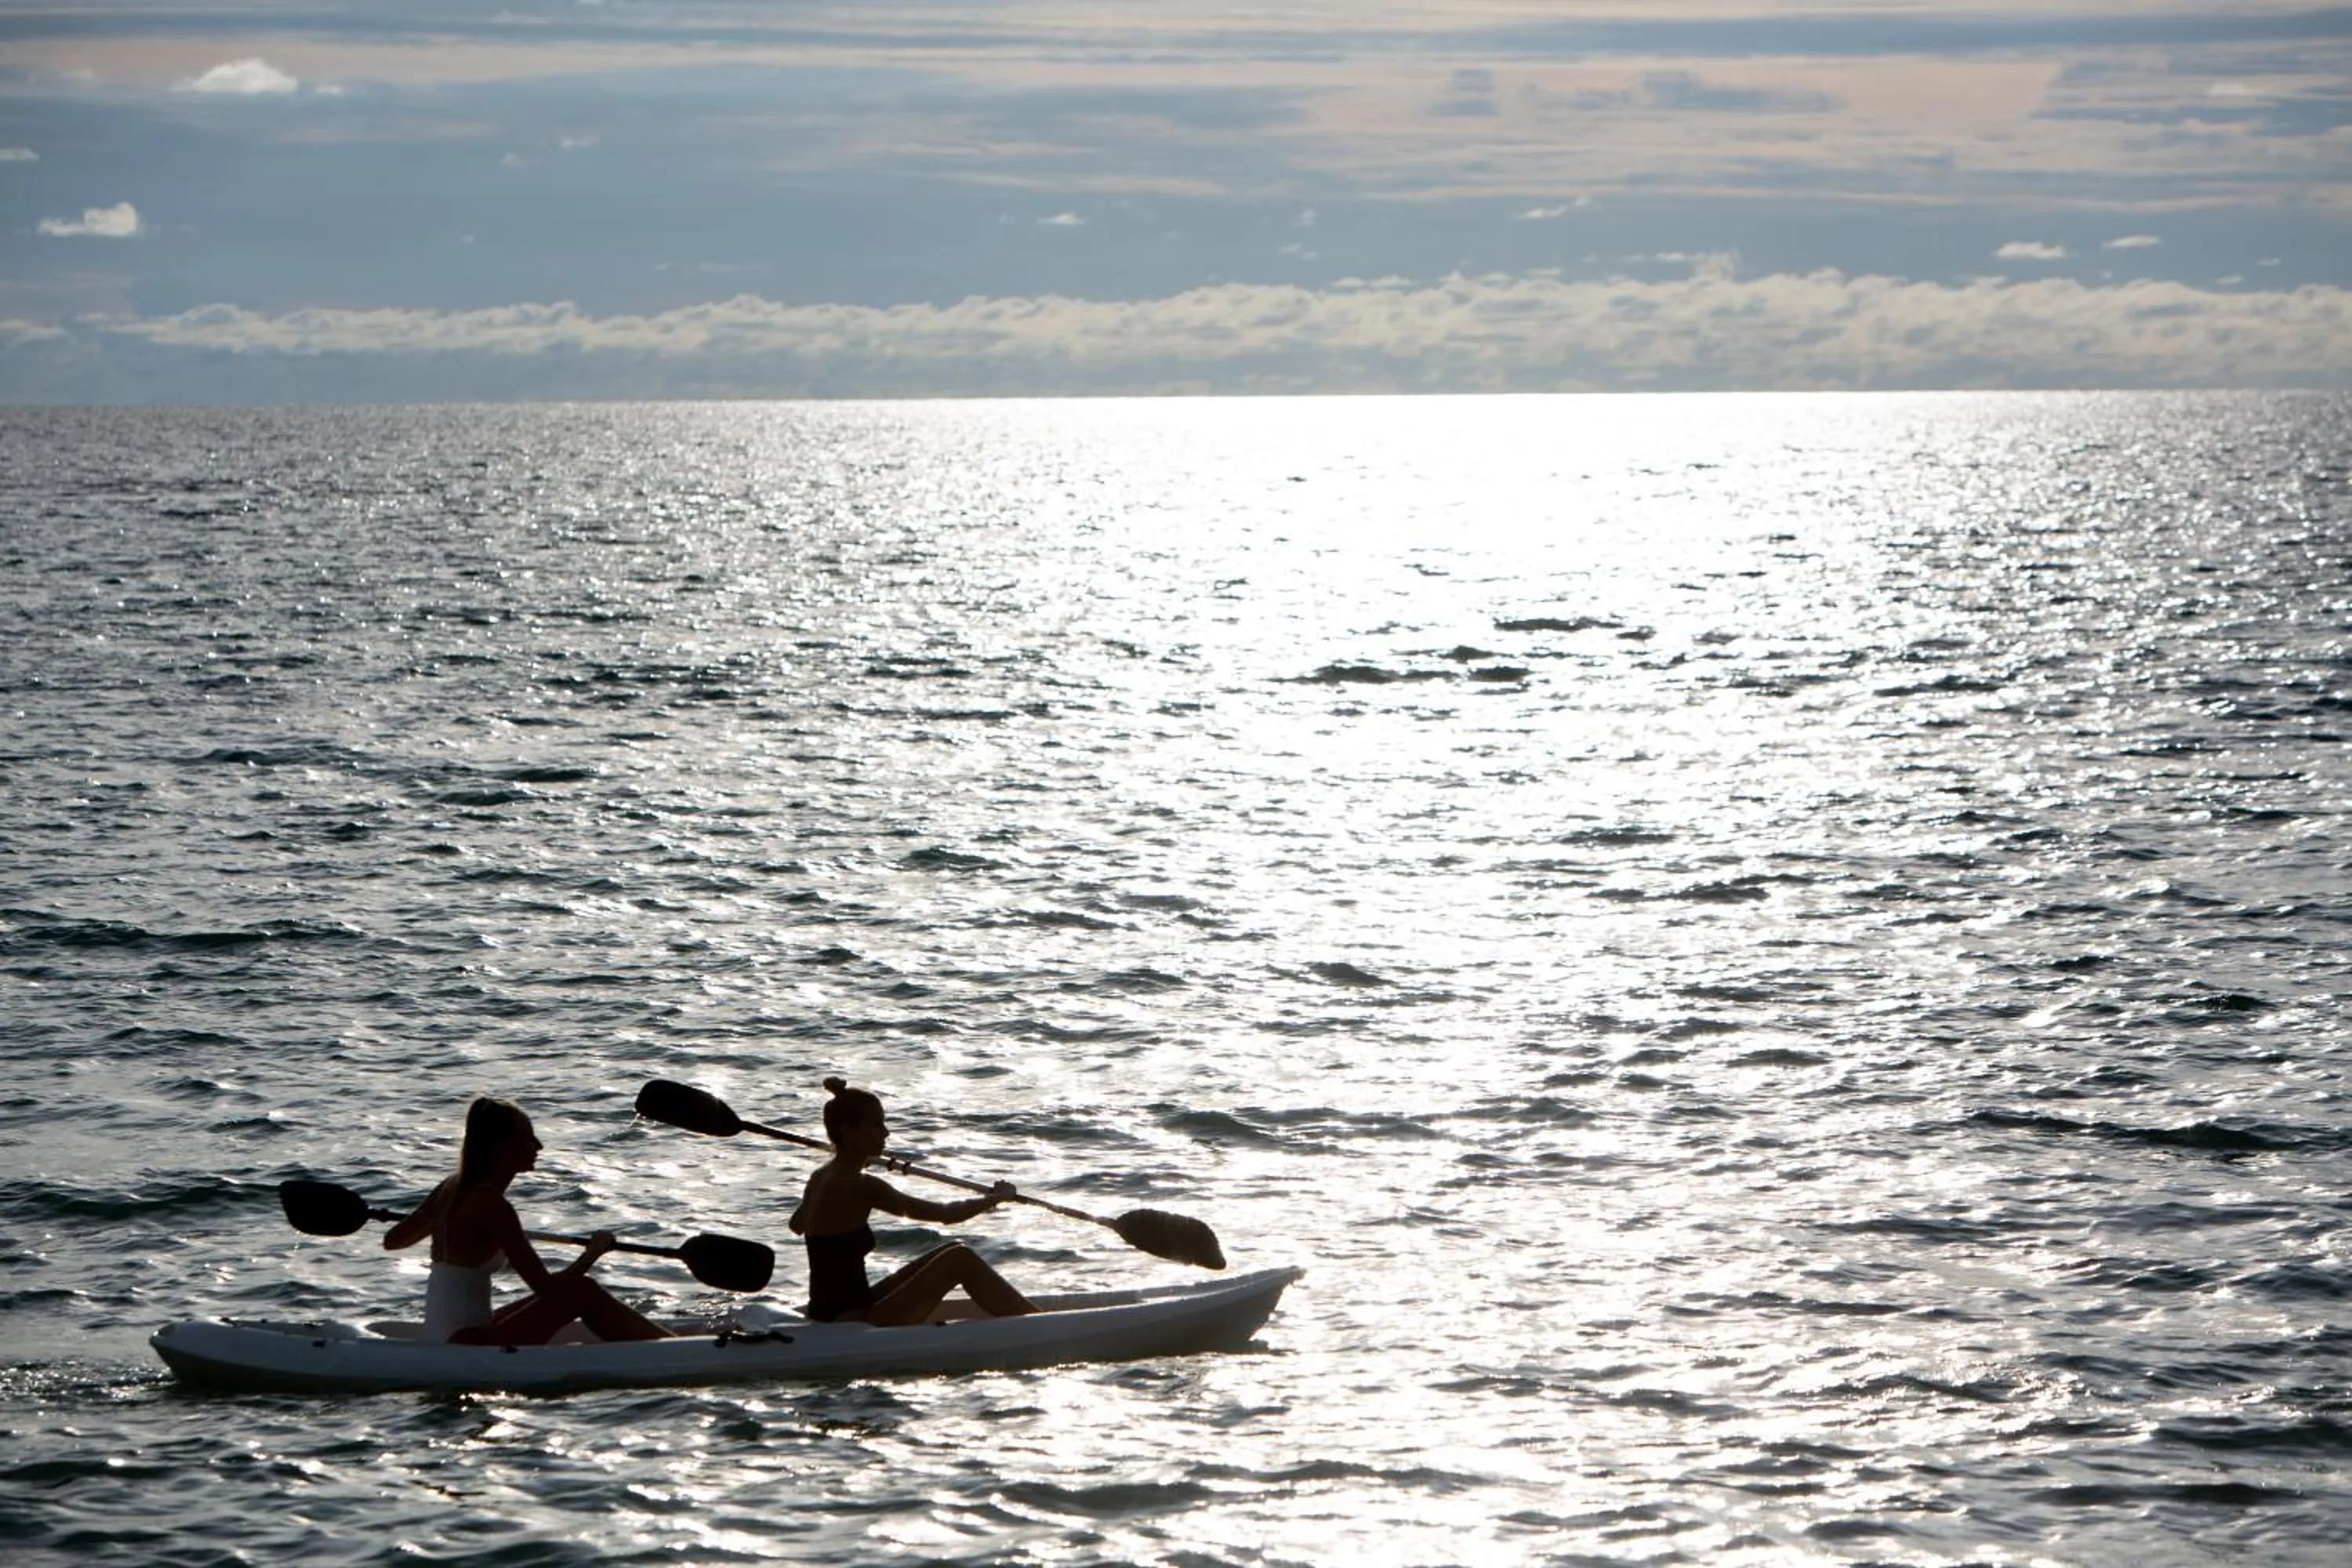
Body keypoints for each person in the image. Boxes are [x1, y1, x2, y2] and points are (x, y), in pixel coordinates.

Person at [383, 1095, 673, 1345]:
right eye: (527, 1138)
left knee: (573, 1288)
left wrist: (433, 1218)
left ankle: (663, 1340)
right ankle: (670, 1349)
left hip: (441, 1333)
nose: (539, 1146)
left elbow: (393, 1241)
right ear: (500, 1147)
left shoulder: (449, 1189)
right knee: (583, 1291)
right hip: (468, 1343)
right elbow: (548, 1291)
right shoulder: (495, 1208)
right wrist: (593, 1253)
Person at [789, 1076, 1039, 1324]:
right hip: (851, 1320)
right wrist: (995, 1198)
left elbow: (797, 1225)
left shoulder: (821, 1177)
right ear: (849, 1132)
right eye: (877, 1125)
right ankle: (1038, 1325)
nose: (886, 1133)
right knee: (960, 1259)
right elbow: (945, 1215)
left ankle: (1033, 1318)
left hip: (836, 1308)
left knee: (951, 1249)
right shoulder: (859, 1184)